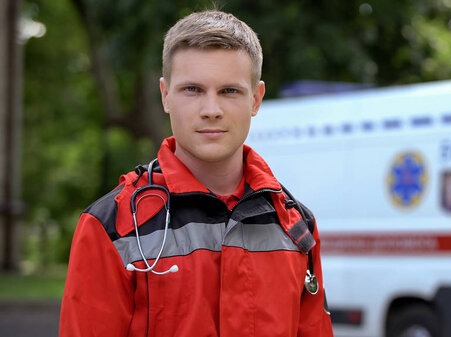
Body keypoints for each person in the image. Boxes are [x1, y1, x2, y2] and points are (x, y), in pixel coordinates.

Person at [59, 10, 333, 337]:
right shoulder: (110, 227)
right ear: (165, 95)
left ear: (256, 99)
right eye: (192, 89)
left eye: (230, 91)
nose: (211, 110)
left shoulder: (297, 226)